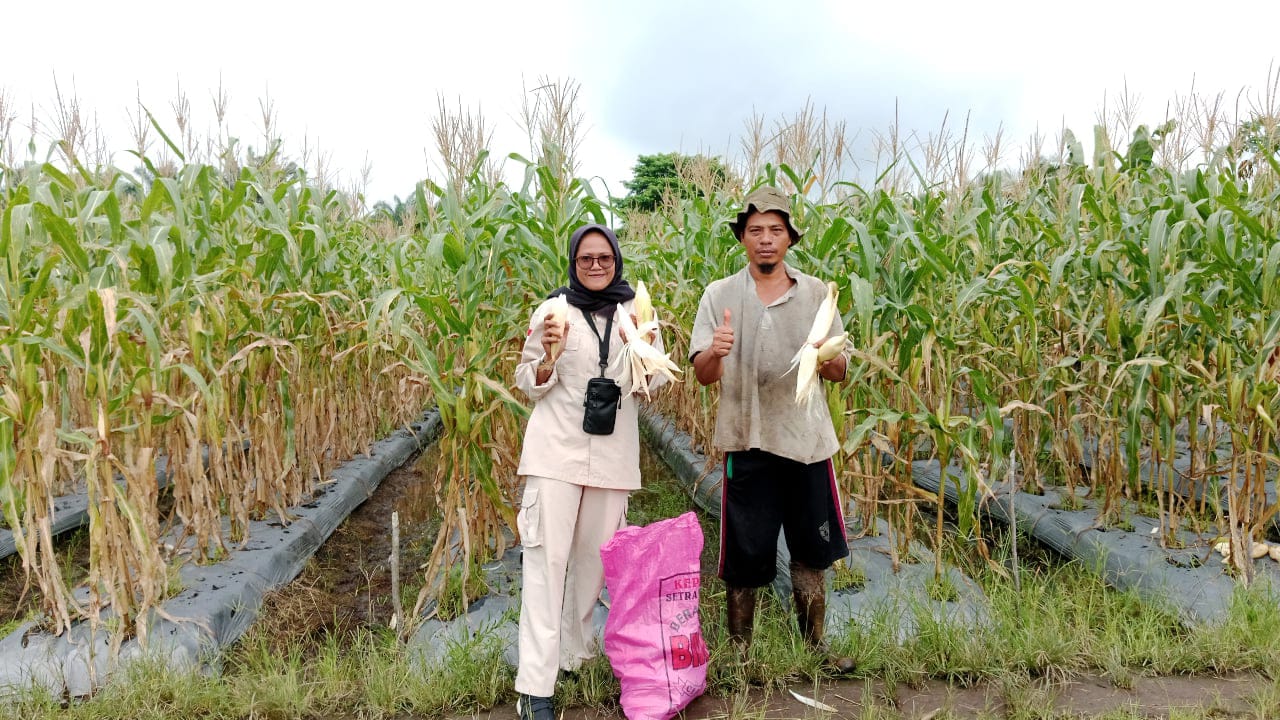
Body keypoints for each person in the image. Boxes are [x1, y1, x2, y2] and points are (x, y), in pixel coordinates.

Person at [688, 186, 855, 674]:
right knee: (746, 551)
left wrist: (826, 356)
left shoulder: (818, 295)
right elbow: (702, 374)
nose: (765, 240)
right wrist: (715, 352)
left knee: (810, 549)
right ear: (743, 238)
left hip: (806, 443)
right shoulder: (719, 295)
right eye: (756, 230)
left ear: (789, 239)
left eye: (775, 231)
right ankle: (740, 657)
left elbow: (840, 371)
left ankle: (815, 649)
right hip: (746, 439)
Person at [512, 223, 666, 720]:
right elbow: (526, 379)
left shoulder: (635, 313)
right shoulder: (552, 310)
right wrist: (547, 357)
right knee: (545, 566)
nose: (596, 265)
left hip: (612, 459)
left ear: (616, 261)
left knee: (592, 570)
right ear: (573, 263)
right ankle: (536, 687)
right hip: (556, 455)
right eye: (586, 259)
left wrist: (642, 354)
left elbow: (656, 382)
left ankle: (575, 658)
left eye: (604, 258)